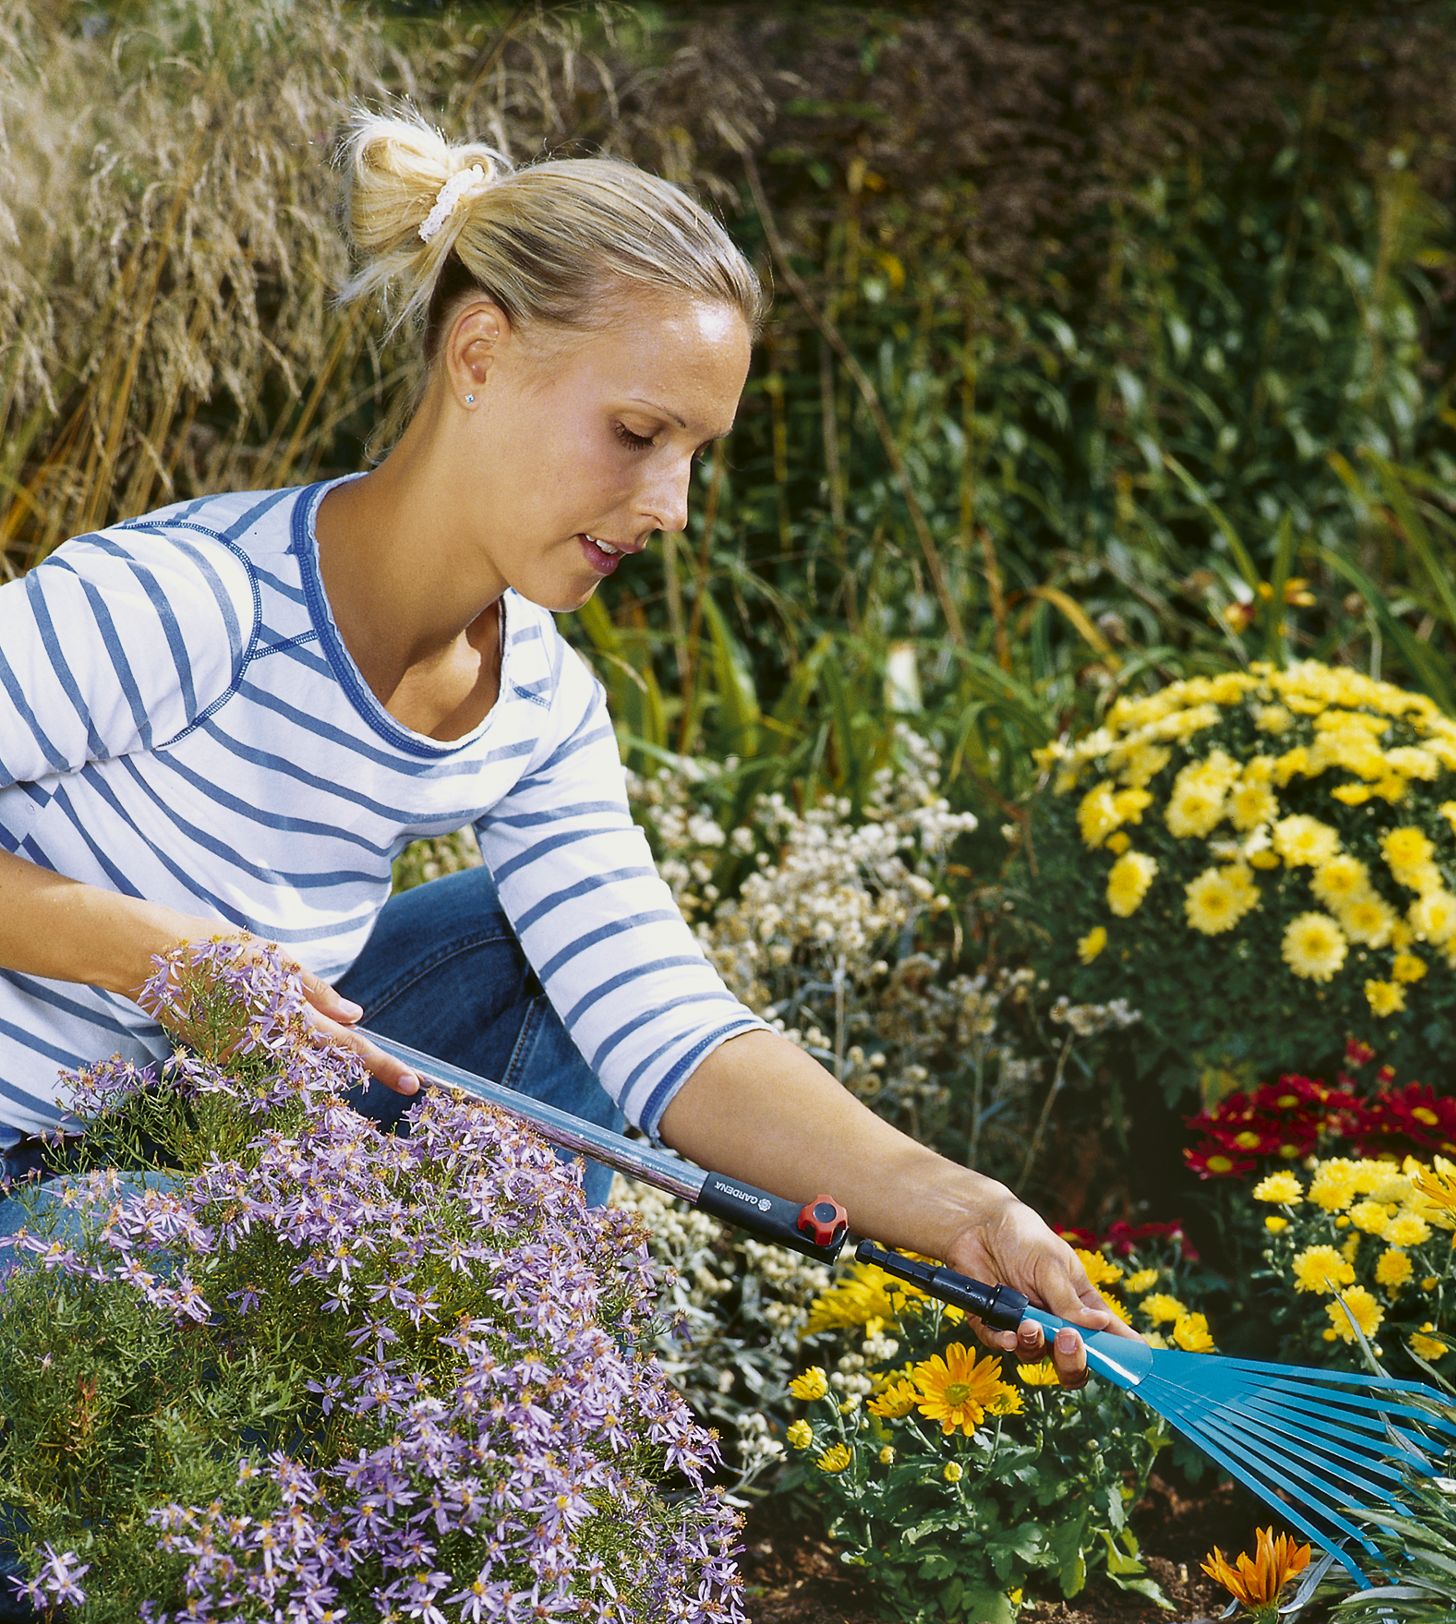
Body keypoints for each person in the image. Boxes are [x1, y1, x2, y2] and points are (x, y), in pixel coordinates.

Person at [0, 104, 1125, 1380]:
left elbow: (658, 1017)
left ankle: (434, 1420)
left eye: (697, 454)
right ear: (478, 355)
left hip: (177, 1152)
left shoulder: (536, 702)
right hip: (37, 1182)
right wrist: (156, 952)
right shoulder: (194, 602)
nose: (671, 507)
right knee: (184, 1290)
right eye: (639, 434)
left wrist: (962, 1210)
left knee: (535, 956)